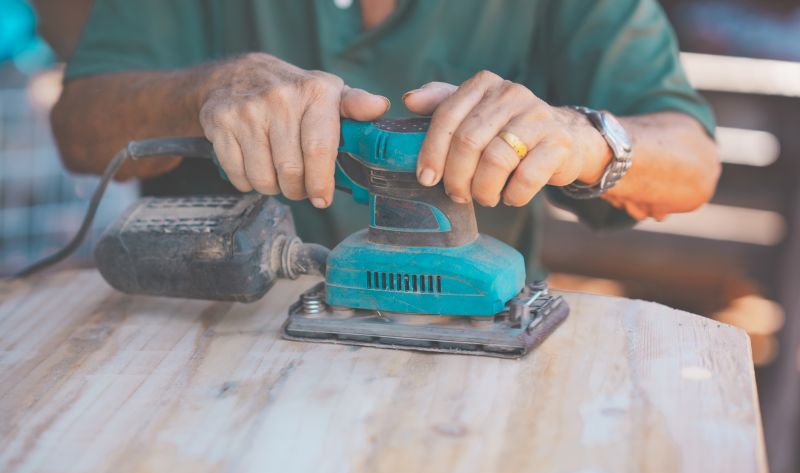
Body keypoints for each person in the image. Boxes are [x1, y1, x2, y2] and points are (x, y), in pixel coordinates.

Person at [49, 0, 721, 279]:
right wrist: (202, 95)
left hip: (471, 351)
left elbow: (692, 161)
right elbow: (79, 129)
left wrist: (578, 138)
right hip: (215, 342)